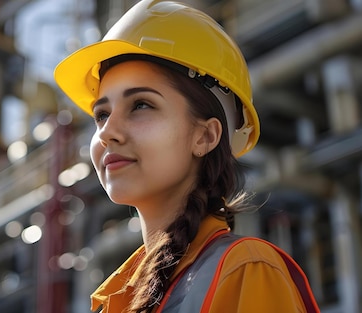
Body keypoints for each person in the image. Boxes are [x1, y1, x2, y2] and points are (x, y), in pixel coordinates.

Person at [54, 1, 320, 312]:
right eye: (101, 115)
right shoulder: (116, 298)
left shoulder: (246, 270)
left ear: (205, 136)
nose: (107, 132)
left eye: (141, 105)